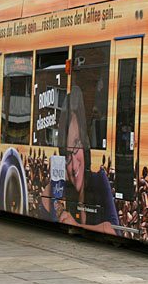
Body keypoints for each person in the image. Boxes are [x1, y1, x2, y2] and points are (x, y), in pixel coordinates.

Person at [39, 85, 119, 235]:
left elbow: (116, 230)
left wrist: (77, 226)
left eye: (76, 146)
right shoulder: (54, 188)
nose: (74, 165)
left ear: (85, 143)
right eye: (67, 157)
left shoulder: (99, 179)